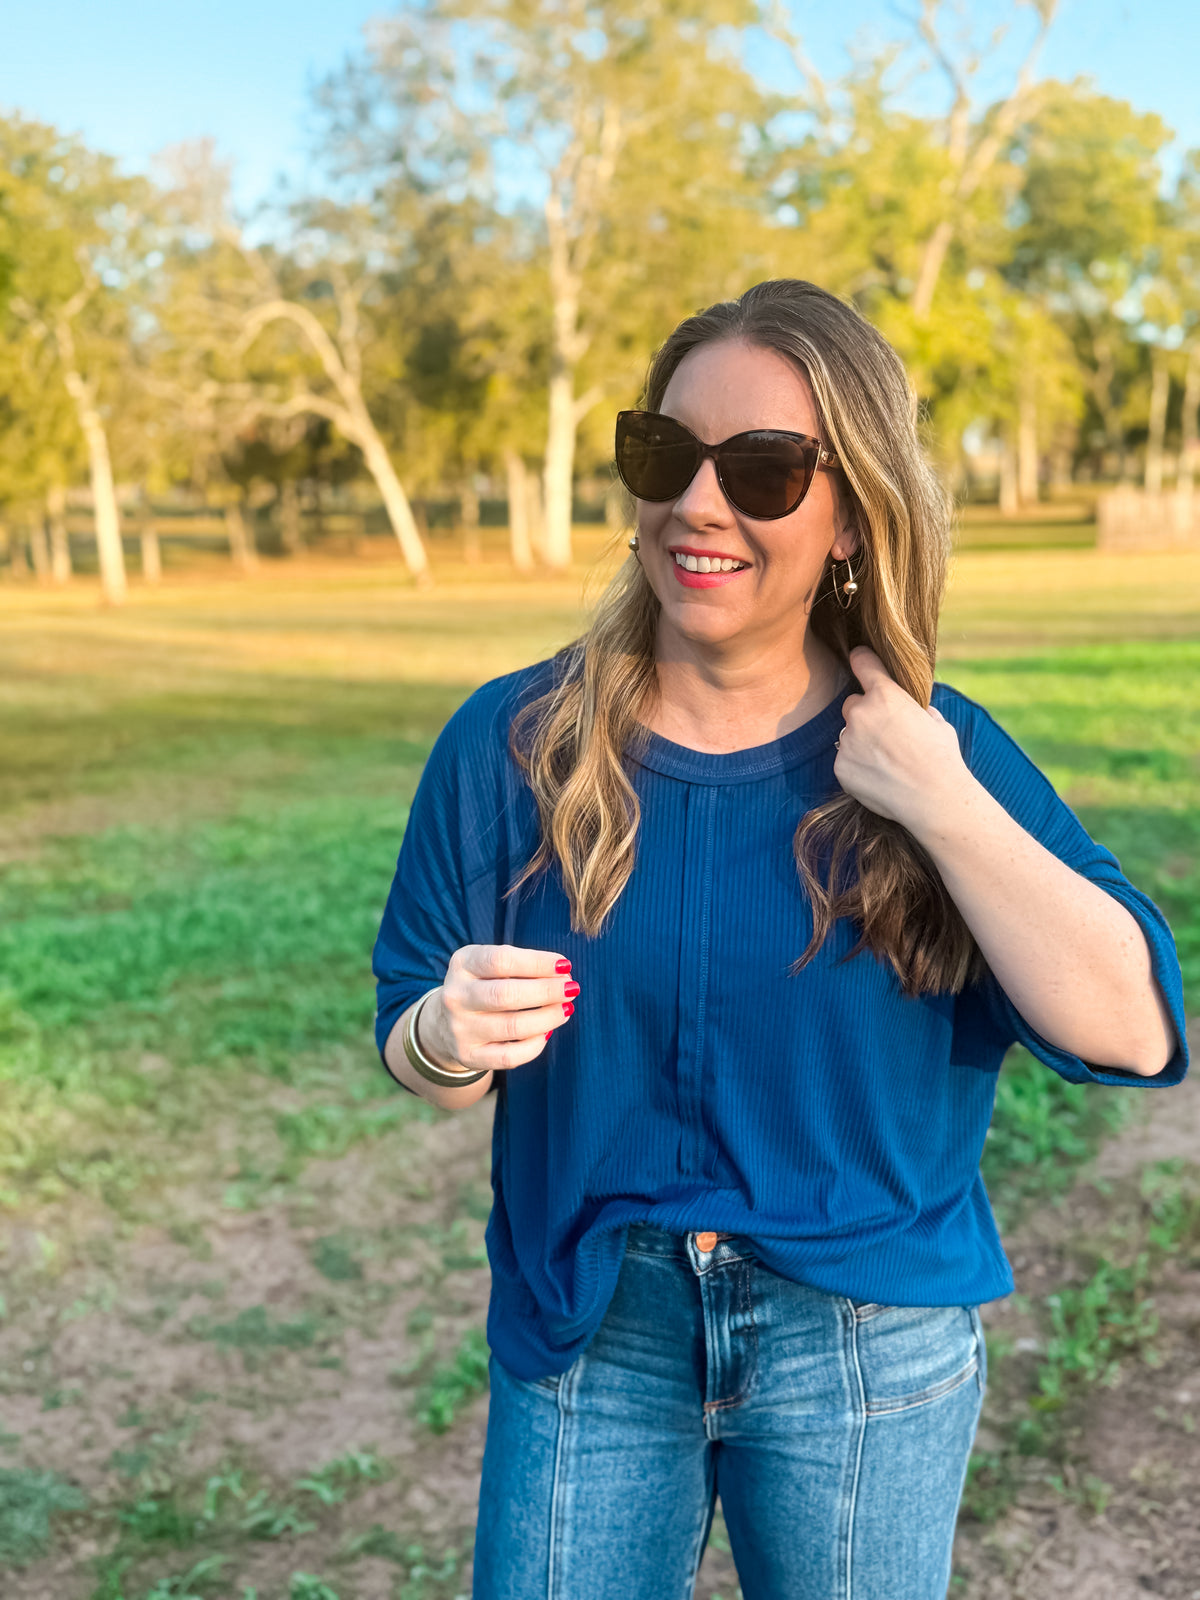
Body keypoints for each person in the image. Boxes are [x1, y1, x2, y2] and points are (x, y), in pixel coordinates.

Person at [372, 279, 1188, 1600]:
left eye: (763, 471)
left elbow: (1134, 1029)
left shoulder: (944, 756)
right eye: (666, 453)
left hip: (864, 1346)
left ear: (854, 511)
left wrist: (938, 801)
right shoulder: (511, 747)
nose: (699, 503)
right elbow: (415, 1037)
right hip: (593, 1337)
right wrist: (444, 1032)